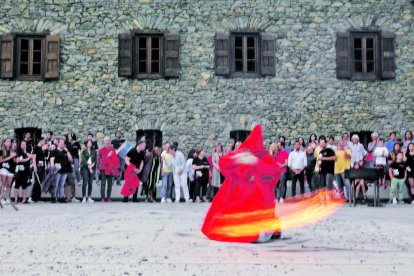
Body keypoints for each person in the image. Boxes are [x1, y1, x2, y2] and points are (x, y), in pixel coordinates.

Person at [201, 125, 282, 243]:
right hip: (241, 196)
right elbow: (224, 163)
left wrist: (255, 165)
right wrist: (239, 159)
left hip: (255, 198)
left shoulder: (262, 157)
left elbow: (274, 171)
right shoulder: (242, 155)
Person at [97, 136, 119, 202]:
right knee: (103, 183)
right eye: (106, 140)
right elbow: (98, 159)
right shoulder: (101, 149)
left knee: (110, 184)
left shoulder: (113, 150)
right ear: (104, 141)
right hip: (103, 168)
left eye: (109, 140)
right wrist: (98, 168)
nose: (108, 142)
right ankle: (102, 197)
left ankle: (108, 197)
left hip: (110, 169)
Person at [50, 138, 72, 203]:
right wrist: (52, 168)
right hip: (57, 170)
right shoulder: (55, 151)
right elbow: (51, 160)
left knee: (62, 185)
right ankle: (53, 197)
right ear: (58, 143)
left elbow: (70, 159)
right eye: (61, 143)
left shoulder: (65, 151)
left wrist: (67, 151)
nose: (62, 144)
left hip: (65, 170)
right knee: (56, 184)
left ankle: (61, 197)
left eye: (63, 143)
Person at [30, 137, 46, 202]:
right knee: (37, 181)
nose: (44, 142)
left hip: (42, 167)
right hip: (38, 166)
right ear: (40, 141)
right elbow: (33, 158)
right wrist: (35, 166)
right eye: (43, 141)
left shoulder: (41, 148)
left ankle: (38, 197)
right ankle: (32, 197)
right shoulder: (36, 147)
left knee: (40, 182)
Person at [0, 138, 16, 205]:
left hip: (11, 169)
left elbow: (15, 161)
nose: (8, 142)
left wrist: (14, 157)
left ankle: (7, 198)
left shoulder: (13, 151)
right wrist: (10, 156)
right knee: (2, 184)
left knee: (9, 185)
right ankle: (1, 198)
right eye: (7, 141)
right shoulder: (1, 151)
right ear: (4, 142)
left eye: (10, 141)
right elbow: (1, 160)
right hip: (3, 168)